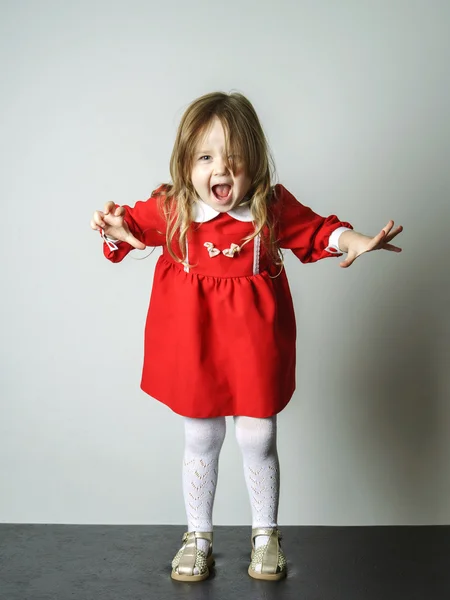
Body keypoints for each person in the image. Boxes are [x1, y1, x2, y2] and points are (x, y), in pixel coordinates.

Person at [90, 92, 403, 582]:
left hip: (254, 340)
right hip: (194, 342)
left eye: (235, 159)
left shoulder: (269, 208)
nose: (221, 169)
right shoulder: (172, 208)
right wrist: (110, 227)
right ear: (186, 162)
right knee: (202, 434)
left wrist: (355, 241)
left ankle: (265, 534)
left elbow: (319, 232)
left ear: (255, 162)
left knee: (258, 436)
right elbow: (126, 227)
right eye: (207, 157)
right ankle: (198, 535)